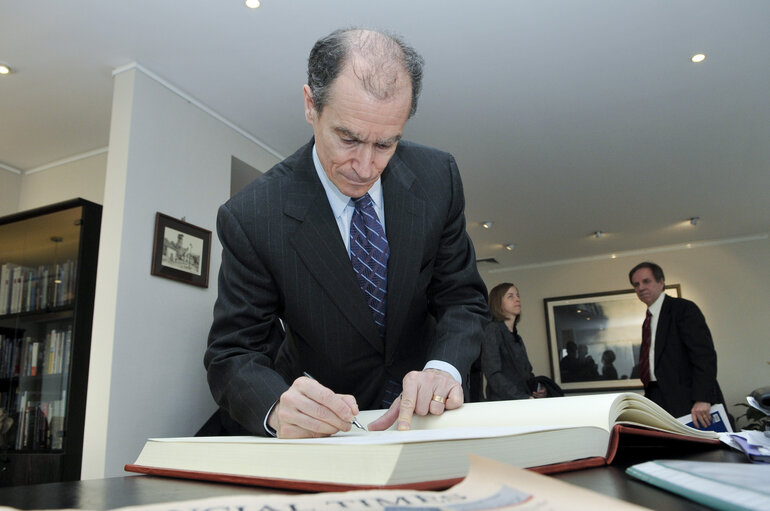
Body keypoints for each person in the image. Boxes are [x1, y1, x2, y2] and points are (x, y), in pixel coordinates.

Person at [204, 28, 489, 439]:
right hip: (331, 433)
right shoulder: (252, 216)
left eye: (386, 144)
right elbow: (232, 352)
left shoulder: (437, 179)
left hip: (431, 416)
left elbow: (462, 298)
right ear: (310, 106)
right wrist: (276, 409)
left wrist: (442, 368)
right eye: (348, 138)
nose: (366, 165)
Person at [629, 261, 726, 428]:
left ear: (661, 282)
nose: (641, 288)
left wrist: (703, 398)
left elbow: (704, 355)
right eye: (636, 284)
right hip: (658, 396)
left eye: (646, 281)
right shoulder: (648, 320)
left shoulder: (683, 309)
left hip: (689, 398)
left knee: (700, 452)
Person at [481, 283, 547, 400]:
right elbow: (493, 374)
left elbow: (527, 373)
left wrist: (539, 389)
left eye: (518, 295)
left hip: (523, 401)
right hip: (504, 404)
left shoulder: (517, 338)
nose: (517, 299)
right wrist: (521, 397)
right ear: (498, 303)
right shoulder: (492, 330)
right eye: (510, 296)